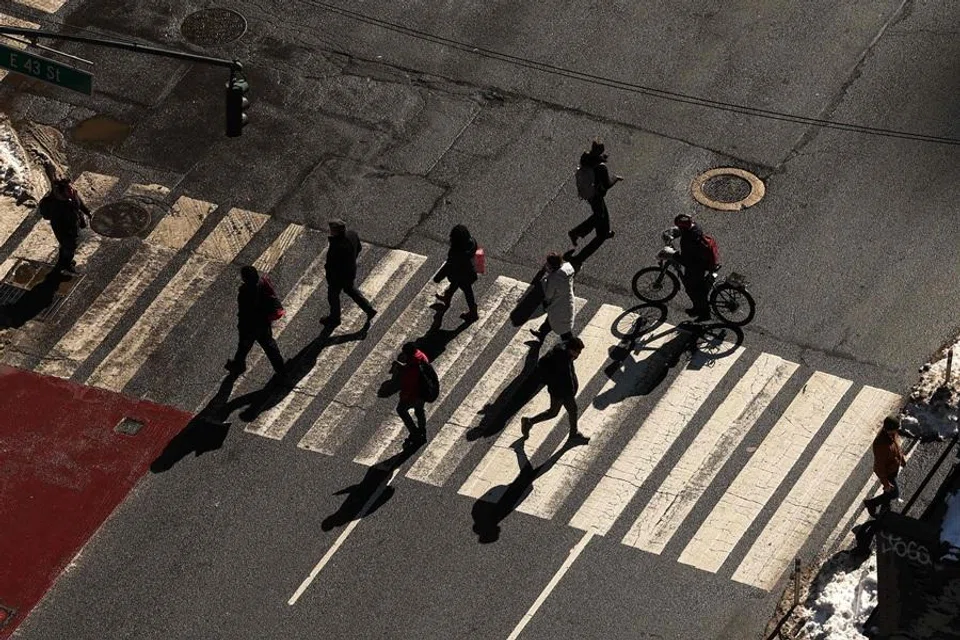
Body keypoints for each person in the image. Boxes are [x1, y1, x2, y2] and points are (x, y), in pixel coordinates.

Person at [520, 337, 590, 445]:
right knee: (567, 410)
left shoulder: (563, 351)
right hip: (561, 391)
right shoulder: (563, 360)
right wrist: (571, 392)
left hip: (558, 389)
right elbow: (567, 378)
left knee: (555, 412)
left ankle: (529, 422)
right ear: (571, 350)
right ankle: (573, 435)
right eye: (578, 352)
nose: (578, 355)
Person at [225, 265, 287, 378]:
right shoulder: (262, 282)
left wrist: (241, 326)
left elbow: (244, 312)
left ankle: (238, 366)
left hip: (250, 326)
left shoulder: (245, 292)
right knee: (269, 346)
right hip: (263, 322)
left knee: (244, 346)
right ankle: (281, 369)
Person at [321, 218, 376, 328]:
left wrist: (330, 275)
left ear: (336, 231)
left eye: (332, 229)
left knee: (333, 296)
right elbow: (359, 248)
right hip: (350, 271)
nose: (330, 231)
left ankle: (335, 318)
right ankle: (369, 309)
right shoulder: (352, 234)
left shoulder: (337, 245)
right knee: (351, 290)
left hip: (338, 277)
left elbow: (333, 264)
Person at [569, 139, 622, 246]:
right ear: (600, 150)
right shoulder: (601, 167)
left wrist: (601, 158)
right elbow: (607, 184)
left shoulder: (585, 156)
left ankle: (604, 232)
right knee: (599, 215)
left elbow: (592, 161)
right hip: (596, 194)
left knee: (602, 213)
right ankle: (576, 232)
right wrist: (615, 178)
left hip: (588, 191)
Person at [667, 213, 717, 321]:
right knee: (696, 287)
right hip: (702, 261)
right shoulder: (695, 228)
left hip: (696, 267)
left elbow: (686, 260)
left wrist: (674, 255)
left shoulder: (688, 240)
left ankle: (704, 313)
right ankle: (697, 308)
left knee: (693, 289)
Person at [37, 177, 91, 275]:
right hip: (66, 231)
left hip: (74, 225)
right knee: (70, 247)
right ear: (63, 192)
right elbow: (57, 225)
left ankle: (63, 259)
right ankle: (67, 264)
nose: (72, 190)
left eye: (70, 187)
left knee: (66, 247)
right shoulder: (57, 206)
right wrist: (66, 236)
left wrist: (87, 213)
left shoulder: (72, 194)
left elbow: (80, 204)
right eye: (69, 189)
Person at [433, 224, 479, 321]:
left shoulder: (456, 253)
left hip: (460, 274)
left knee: (467, 291)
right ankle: (448, 296)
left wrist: (438, 277)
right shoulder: (472, 243)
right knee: (457, 285)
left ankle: (473, 311)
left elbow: (448, 266)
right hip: (469, 271)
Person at [864, 415, 908, 517]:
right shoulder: (881, 445)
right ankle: (871, 503)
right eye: (895, 429)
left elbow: (896, 447)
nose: (897, 431)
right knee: (894, 493)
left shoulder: (892, 435)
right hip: (887, 472)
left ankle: (884, 512)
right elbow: (880, 466)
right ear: (890, 429)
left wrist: (901, 458)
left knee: (888, 493)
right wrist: (886, 483)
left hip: (893, 468)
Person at [531, 252, 576, 341]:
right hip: (567, 301)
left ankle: (571, 348)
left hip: (558, 305)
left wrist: (544, 282)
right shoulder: (567, 268)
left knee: (563, 330)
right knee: (551, 320)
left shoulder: (554, 279)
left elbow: (549, 294)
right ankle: (541, 333)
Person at [395, 342, 430, 445]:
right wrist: (402, 367)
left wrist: (404, 396)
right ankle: (422, 431)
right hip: (424, 390)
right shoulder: (420, 355)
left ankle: (415, 433)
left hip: (415, 394)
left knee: (401, 410)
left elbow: (410, 382)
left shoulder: (414, 365)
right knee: (419, 410)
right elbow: (410, 367)